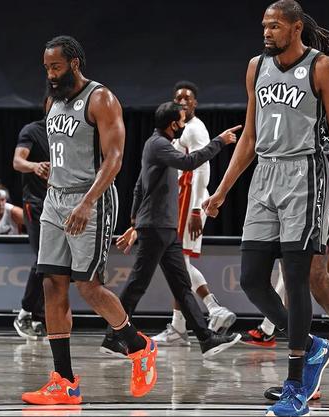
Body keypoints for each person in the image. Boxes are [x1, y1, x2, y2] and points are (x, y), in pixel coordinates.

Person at [202, 1, 329, 415]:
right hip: (265, 175)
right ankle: (314, 346)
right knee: (251, 279)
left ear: (295, 28)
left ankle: (295, 387)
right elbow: (250, 137)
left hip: (306, 173)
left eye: (274, 26)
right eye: (264, 26)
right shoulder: (256, 67)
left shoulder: (322, 67)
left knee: (297, 277)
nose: (266, 32)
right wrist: (221, 191)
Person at [21, 35, 157, 405]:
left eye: (56, 67)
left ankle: (137, 345)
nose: (50, 74)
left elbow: (115, 158)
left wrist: (86, 202)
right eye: (46, 68)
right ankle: (64, 381)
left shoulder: (101, 98)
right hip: (54, 200)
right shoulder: (52, 102)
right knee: (51, 284)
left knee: (89, 286)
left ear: (75, 63)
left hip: (91, 198)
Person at [249, 11, 329, 402]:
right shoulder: (268, 70)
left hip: (320, 180)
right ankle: (312, 364)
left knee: (312, 274)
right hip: (279, 181)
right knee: (295, 276)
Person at [101, 102, 241, 359]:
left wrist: (134, 220)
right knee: (137, 285)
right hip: (155, 227)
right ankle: (113, 337)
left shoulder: (157, 146)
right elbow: (189, 162)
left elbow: (139, 186)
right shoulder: (159, 145)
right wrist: (219, 142)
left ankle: (206, 339)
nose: (184, 125)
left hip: (165, 228)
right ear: (172, 124)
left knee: (182, 286)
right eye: (181, 121)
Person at [153, 81, 237, 345]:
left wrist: (197, 209)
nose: (182, 101)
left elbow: (202, 168)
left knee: (178, 264)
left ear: (195, 103)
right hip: (181, 200)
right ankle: (188, 321)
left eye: (187, 98)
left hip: (189, 202)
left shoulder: (196, 128)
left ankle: (207, 312)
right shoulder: (181, 129)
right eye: (178, 98)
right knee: (181, 264)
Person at [12, 118, 48, 339]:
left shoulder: (68, 132)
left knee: (54, 263)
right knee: (43, 258)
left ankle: (38, 317)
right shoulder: (33, 130)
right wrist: (34, 166)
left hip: (58, 204)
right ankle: (25, 313)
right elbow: (17, 162)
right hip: (35, 202)